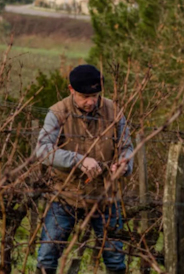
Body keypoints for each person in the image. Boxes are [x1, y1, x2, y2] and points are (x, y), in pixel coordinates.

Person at [34, 64, 134, 274]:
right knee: (47, 257)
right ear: (71, 90)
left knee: (116, 260)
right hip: (65, 195)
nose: (91, 102)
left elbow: (126, 147)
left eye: (95, 95)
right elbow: (42, 151)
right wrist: (78, 160)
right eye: (84, 96)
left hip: (105, 196)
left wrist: (124, 165)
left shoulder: (114, 111)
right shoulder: (57, 113)